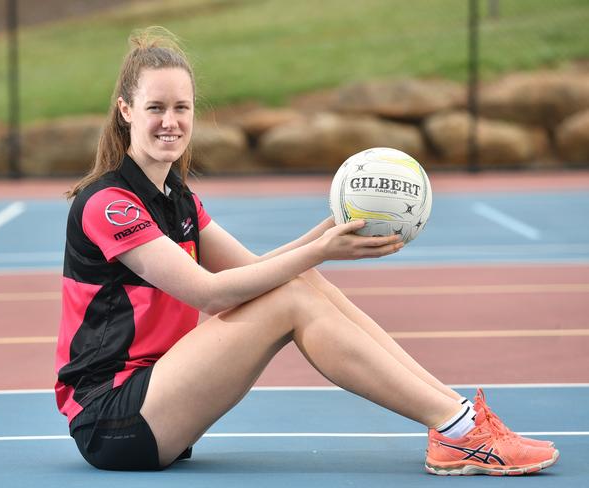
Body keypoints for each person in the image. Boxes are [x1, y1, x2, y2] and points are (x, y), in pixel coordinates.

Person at [55, 26, 559, 475]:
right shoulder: (110, 204)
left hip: (157, 400)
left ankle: (458, 417)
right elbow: (209, 294)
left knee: (302, 283)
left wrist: (325, 236)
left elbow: (255, 270)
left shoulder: (177, 198)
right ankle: (457, 428)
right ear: (126, 111)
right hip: (112, 418)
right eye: (155, 108)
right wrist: (320, 251)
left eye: (181, 108)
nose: (171, 121)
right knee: (294, 294)